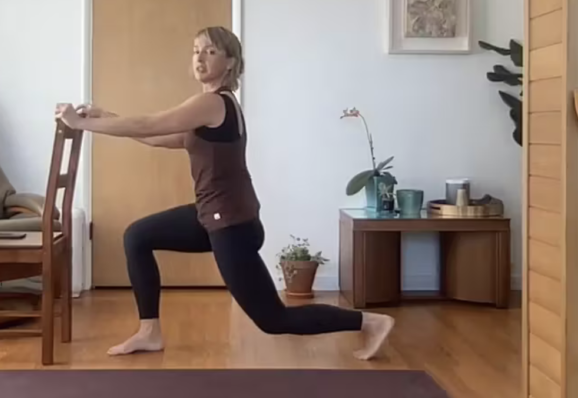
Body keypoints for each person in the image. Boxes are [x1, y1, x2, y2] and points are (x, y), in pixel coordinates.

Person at [54, 26, 395, 360]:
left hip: (230, 225)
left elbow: (150, 124)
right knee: (138, 236)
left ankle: (370, 322)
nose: (199, 57)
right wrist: (105, 116)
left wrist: (83, 123)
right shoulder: (213, 107)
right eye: (195, 50)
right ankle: (149, 331)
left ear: (230, 62)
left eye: (210, 51)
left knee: (274, 320)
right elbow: (156, 137)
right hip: (213, 216)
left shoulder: (213, 103)